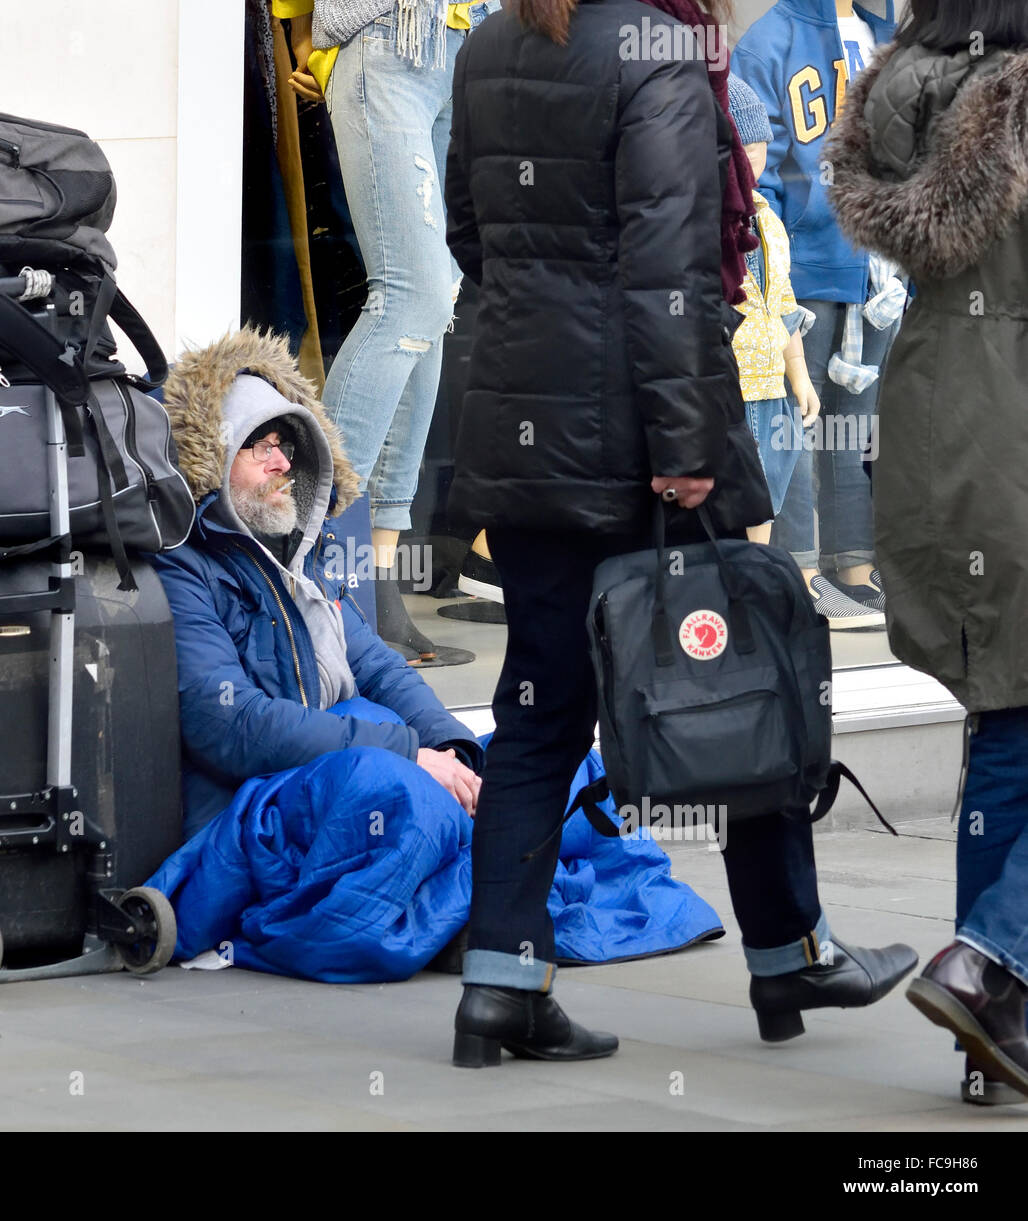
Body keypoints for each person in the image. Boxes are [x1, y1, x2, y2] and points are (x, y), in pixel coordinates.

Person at [443, 0, 916, 1067]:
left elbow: (467, 233)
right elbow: (668, 263)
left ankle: (501, 988)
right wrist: (687, 440)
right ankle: (789, 951)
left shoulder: (486, 43)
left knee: (536, 706)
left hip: (523, 418)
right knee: (742, 673)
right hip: (635, 431)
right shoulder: (653, 48)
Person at [142, 327, 726, 983]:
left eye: (285, 444)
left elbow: (380, 668)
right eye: (257, 446)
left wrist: (457, 753)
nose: (281, 462)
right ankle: (465, 913)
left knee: (575, 769)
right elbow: (229, 724)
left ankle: (467, 909)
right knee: (397, 793)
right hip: (260, 806)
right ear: (213, 460)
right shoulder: (183, 568)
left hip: (353, 763)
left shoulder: (304, 554)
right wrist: (407, 755)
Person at [827, 0, 1028, 1106]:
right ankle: (992, 960)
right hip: (1014, 436)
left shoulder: (904, 88)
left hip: (934, 428)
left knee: (1004, 723)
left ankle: (982, 1041)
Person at [276, 0, 497, 663]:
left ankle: (372, 576)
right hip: (389, 39)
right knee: (413, 291)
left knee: (433, 300)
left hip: (462, 48)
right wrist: (303, 37)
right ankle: (313, 547)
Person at [734, 0, 899, 630]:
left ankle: (852, 567)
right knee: (794, 422)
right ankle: (797, 568)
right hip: (804, 264)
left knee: (857, 428)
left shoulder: (888, 33)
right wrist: (770, 255)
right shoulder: (770, 39)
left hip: (878, 265)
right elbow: (754, 166)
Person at [728, 76, 820, 548]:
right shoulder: (703, 217)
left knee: (768, 488)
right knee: (733, 489)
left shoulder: (767, 218)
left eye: (762, 149)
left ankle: (756, 571)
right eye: (744, 150)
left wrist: (799, 376)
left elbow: (784, 302)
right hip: (728, 387)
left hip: (770, 386)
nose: (755, 163)